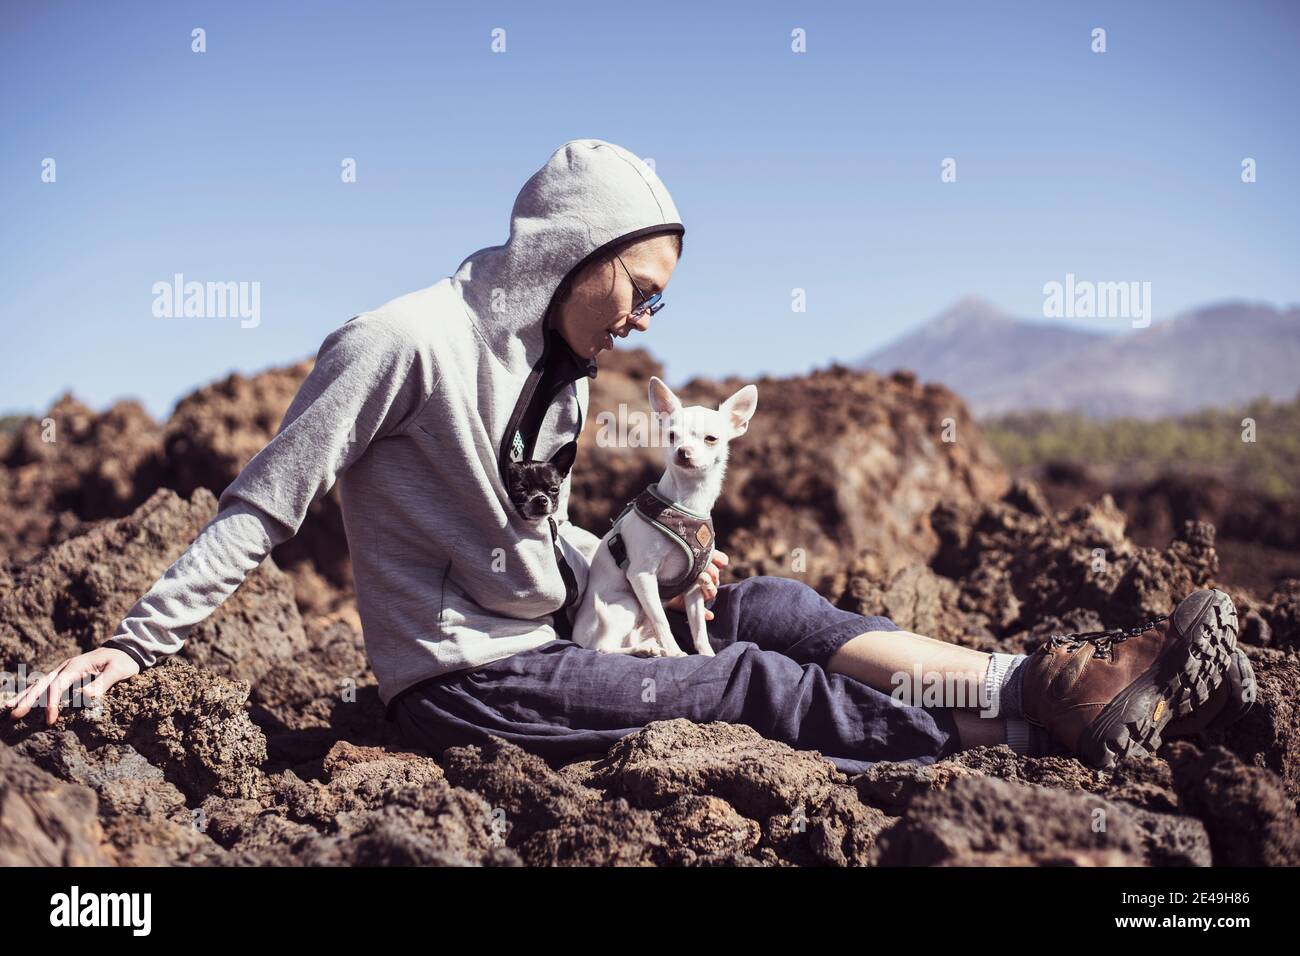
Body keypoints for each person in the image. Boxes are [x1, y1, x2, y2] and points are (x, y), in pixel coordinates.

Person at [3, 139, 1250, 773]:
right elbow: (262, 504)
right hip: (468, 682)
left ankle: (1032, 683)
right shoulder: (398, 341)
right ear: (574, 251)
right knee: (740, 683)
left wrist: (642, 557)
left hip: (554, 630)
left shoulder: (560, 364)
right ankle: (1000, 756)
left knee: (762, 601)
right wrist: (132, 641)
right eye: (640, 288)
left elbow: (533, 536)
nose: (650, 317)